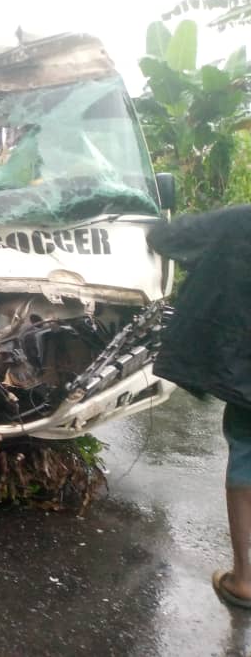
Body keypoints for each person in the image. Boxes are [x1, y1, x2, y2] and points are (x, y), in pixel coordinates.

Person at [148, 205, 251, 609]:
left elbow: (170, 238)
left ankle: (244, 579)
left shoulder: (240, 220)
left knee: (245, 453)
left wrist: (150, 219)